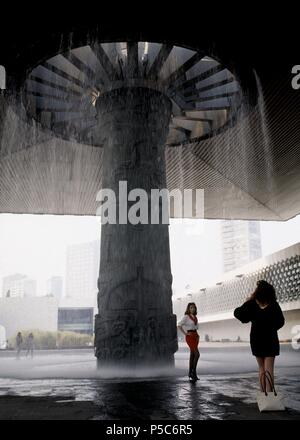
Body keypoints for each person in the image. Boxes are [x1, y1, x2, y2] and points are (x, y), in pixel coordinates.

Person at [234, 280, 285, 392]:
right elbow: (281, 321)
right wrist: (270, 328)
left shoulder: (251, 304)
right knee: (269, 369)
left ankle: (264, 394)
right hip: (270, 338)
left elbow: (237, 313)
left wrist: (246, 303)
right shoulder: (273, 304)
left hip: (256, 339)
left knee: (261, 368)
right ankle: (270, 395)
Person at [177, 302, 200, 382]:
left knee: (193, 355)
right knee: (197, 354)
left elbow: (196, 327)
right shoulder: (186, 317)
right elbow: (179, 325)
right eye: (191, 308)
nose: (192, 309)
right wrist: (185, 333)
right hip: (189, 337)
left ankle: (190, 373)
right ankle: (193, 372)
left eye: (193, 307)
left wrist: (197, 336)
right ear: (188, 309)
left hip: (195, 336)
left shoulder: (195, 317)